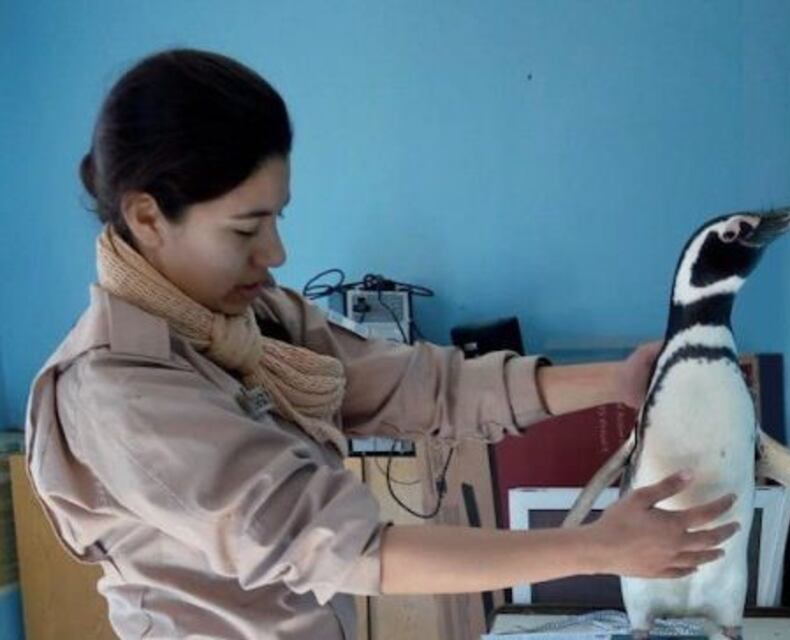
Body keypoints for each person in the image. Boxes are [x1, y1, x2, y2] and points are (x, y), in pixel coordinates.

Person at [25, 49, 739, 640]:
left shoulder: (253, 324)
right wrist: (593, 547)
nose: (276, 252)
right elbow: (348, 549)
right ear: (148, 216)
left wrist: (615, 380)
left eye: (277, 218)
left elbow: (420, 386)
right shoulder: (119, 396)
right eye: (245, 230)